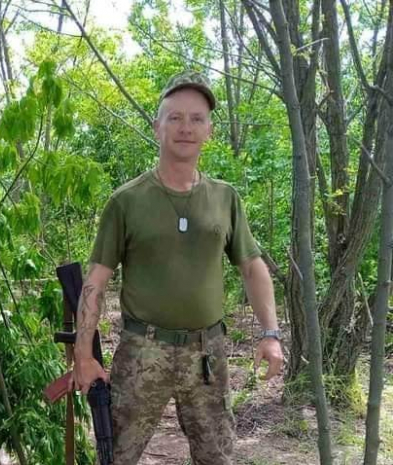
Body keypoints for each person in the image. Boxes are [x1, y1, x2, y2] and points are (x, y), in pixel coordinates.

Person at [69, 71, 284, 465]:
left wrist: (270, 334)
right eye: (175, 118)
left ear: (209, 131)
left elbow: (252, 267)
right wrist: (83, 356)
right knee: (116, 455)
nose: (186, 127)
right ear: (158, 127)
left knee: (216, 456)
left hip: (207, 353)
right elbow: (95, 282)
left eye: (197, 119)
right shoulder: (127, 201)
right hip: (143, 350)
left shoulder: (225, 198)